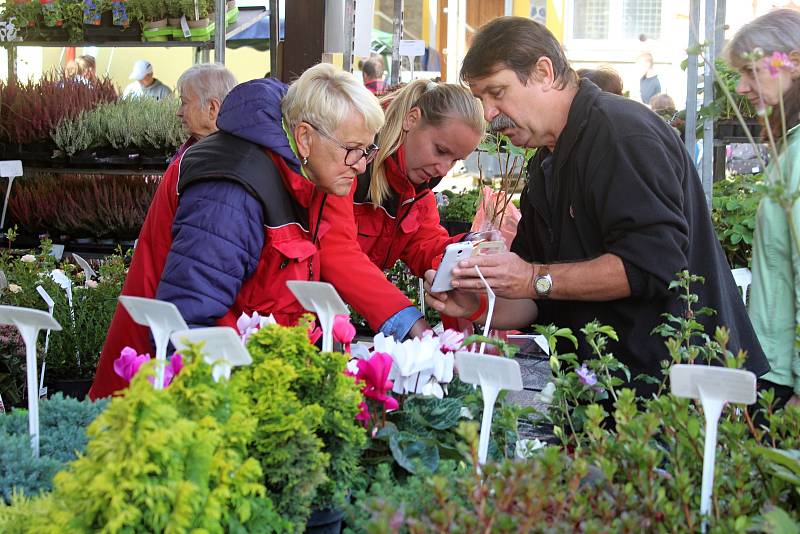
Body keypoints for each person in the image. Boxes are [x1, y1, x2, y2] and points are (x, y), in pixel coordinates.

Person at [425, 16, 769, 395]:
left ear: (543, 72)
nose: (489, 113)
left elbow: (652, 265)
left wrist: (531, 276)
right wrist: (475, 302)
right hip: (605, 390)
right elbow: (535, 295)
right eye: (482, 99)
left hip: (681, 394)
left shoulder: (620, 134)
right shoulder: (546, 161)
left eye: (498, 92)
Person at [90, 63, 390, 398]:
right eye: (352, 149)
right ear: (304, 137)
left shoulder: (301, 171)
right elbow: (190, 322)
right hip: (166, 401)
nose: (361, 165)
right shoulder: (232, 190)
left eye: (367, 150)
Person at [727, 9, 800, 409]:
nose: (740, 87)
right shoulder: (790, 145)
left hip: (787, 377)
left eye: (752, 71)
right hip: (777, 365)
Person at [349, 79, 485, 276]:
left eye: (455, 160)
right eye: (440, 150)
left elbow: (426, 246)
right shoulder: (352, 165)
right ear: (411, 119)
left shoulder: (418, 190)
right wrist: (397, 307)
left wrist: (470, 247)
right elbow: (337, 255)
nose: (444, 170)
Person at [173, 63, 237, 160]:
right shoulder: (192, 149)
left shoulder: (230, 160)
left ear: (212, 108)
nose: (178, 112)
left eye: (184, 102)